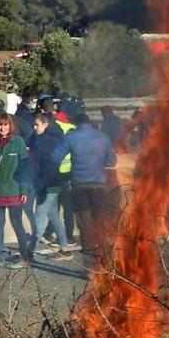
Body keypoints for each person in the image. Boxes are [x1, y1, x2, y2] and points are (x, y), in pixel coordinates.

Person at [64, 107, 118, 263]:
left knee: (85, 226)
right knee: (100, 224)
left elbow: (55, 156)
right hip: (99, 187)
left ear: (76, 124)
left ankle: (89, 265)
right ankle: (106, 262)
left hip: (79, 186)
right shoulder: (102, 136)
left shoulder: (71, 137)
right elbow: (112, 161)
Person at [0, 112, 35, 266]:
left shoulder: (18, 142)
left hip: (14, 191)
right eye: (0, 125)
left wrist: (24, 190)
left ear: (10, 126)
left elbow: (24, 168)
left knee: (17, 224)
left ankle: (25, 256)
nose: (2, 128)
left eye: (5, 125)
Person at [27, 111, 76, 259]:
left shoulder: (49, 140)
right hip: (52, 182)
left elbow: (48, 166)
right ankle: (65, 248)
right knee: (53, 215)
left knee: (39, 216)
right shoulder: (45, 138)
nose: (35, 128)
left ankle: (28, 253)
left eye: (37, 125)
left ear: (46, 124)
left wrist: (40, 185)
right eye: (34, 125)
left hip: (50, 183)